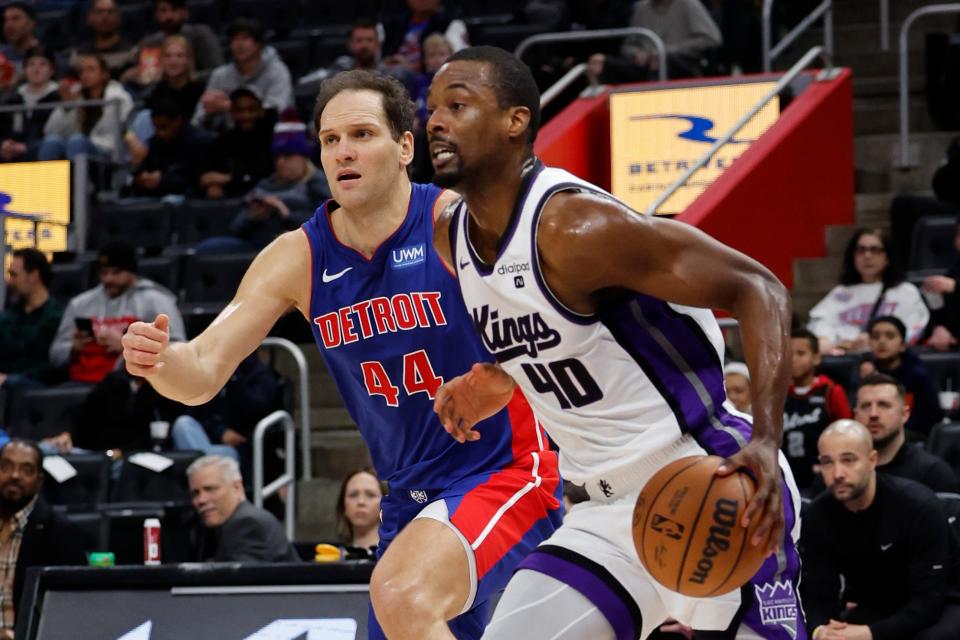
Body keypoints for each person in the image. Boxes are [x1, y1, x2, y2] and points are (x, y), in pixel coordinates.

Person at [121, 69, 562, 639]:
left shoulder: (458, 222)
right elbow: (202, 372)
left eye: (361, 134)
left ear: (406, 147)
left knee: (401, 593)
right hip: (409, 499)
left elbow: (556, 326)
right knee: (403, 604)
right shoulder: (297, 256)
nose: (343, 153)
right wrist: (160, 362)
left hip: (500, 473)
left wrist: (501, 378)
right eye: (330, 140)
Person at [427, 46, 800, 639]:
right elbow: (557, 327)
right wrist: (499, 376)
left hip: (707, 478)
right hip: (600, 512)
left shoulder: (576, 227)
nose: (435, 121)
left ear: (515, 121)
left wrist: (765, 439)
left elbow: (759, 288)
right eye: (431, 109)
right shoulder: (454, 238)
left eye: (457, 105)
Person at [802, 419, 960, 639]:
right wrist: (821, 631)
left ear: (872, 460)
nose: (837, 473)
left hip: (944, 603)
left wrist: (870, 633)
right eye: (827, 462)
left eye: (849, 460)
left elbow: (928, 602)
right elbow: (817, 594)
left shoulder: (918, 506)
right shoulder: (817, 516)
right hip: (878, 604)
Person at [195, 110, 330, 253]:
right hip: (257, 247)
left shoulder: (316, 183)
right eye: (277, 157)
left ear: (303, 158)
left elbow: (327, 224)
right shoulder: (265, 185)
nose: (281, 162)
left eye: (288, 156)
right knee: (207, 249)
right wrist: (252, 217)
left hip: (298, 249)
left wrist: (286, 214)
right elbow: (235, 228)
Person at [50, 242, 185, 384]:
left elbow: (178, 349)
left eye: (116, 272)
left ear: (132, 272)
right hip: (81, 382)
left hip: (132, 383)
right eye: (104, 273)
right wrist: (72, 348)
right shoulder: (80, 304)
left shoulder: (157, 301)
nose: (108, 279)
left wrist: (128, 347)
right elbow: (55, 356)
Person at [0, 439, 85, 638]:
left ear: (39, 481)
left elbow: (72, 608)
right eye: (6, 467)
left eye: (26, 470)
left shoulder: (60, 532)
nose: (14, 475)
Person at [807, 228, 929, 355]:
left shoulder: (905, 292)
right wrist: (834, 343)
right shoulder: (840, 293)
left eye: (875, 250)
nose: (867, 256)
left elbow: (915, 328)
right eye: (861, 250)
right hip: (846, 358)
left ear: (887, 257)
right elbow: (819, 325)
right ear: (853, 256)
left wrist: (877, 341)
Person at [853, 372, 957, 492]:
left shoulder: (932, 473)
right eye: (866, 406)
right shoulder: (843, 473)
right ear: (856, 415)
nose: (873, 414)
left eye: (883, 405)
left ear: (904, 414)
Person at [188, 455, 299, 562]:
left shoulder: (248, 524)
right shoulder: (211, 528)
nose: (201, 500)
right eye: (195, 493)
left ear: (237, 487)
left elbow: (241, 579)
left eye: (210, 489)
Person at [191, 18, 293, 134]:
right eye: (234, 39)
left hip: (269, 136)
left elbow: (278, 110)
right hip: (230, 138)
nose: (239, 44)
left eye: (245, 38)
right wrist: (209, 111)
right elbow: (198, 118)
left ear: (259, 44)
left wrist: (229, 107)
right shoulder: (220, 75)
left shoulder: (277, 71)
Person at [783, 327, 851, 494]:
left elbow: (846, 433)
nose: (793, 359)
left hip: (822, 479)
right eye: (789, 354)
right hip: (788, 476)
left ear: (816, 358)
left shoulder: (831, 391)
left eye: (800, 353)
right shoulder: (779, 395)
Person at [587, 0, 722, 84]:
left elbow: (711, 39)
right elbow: (628, 45)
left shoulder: (688, 3)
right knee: (599, 62)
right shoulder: (641, 8)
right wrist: (638, 53)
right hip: (642, 64)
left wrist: (664, 52)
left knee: (659, 61)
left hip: (681, 64)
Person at [124, 35, 206, 166]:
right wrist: (131, 139)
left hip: (190, 144)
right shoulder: (154, 91)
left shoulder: (201, 89)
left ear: (189, 60)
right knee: (143, 117)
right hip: (159, 145)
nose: (173, 61)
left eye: (180, 56)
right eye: (168, 56)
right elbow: (130, 120)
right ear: (161, 61)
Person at [38, 54, 134, 163]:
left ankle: (78, 180)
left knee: (77, 141)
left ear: (104, 74)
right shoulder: (76, 95)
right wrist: (67, 107)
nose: (85, 75)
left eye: (91, 70)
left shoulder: (117, 97)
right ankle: (45, 180)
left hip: (108, 149)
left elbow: (126, 127)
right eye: (81, 71)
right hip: (76, 145)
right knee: (52, 142)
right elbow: (50, 131)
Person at [859, 316, 943, 436]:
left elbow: (932, 418)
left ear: (903, 345)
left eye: (890, 336)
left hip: (910, 435)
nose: (882, 341)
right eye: (876, 337)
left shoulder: (918, 374)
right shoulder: (864, 370)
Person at [0, 248, 64, 390]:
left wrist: (8, 378)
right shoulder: (8, 317)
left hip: (38, 386)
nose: (9, 282)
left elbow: (54, 367)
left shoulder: (57, 317)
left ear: (34, 275)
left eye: (14, 275)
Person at [198, 85, 276, 199]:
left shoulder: (273, 138)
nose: (245, 115)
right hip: (231, 200)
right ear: (232, 113)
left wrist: (230, 179)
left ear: (261, 111)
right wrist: (212, 185)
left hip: (267, 197)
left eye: (251, 109)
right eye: (239, 110)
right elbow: (208, 172)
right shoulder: (224, 140)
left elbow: (268, 175)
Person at [130, 97, 214, 197]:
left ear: (178, 121)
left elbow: (198, 180)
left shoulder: (201, 142)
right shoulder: (155, 142)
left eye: (164, 127)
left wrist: (164, 180)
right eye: (156, 128)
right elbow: (144, 170)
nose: (161, 133)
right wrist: (142, 177)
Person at [125, 0, 222, 86]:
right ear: (156, 14)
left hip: (196, 90)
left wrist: (184, 77)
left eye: (174, 10)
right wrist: (131, 75)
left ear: (185, 12)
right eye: (163, 11)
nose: (169, 16)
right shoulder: (149, 43)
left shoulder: (199, 34)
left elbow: (217, 71)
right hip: (157, 94)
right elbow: (136, 72)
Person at [0, 46, 59, 163]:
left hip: (45, 154)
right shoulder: (11, 99)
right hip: (10, 156)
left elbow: (60, 134)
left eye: (43, 64)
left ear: (52, 70)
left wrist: (27, 147)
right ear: (24, 69)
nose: (36, 69)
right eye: (31, 64)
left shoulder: (59, 98)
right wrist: (3, 143)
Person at [382, 0, 469, 74]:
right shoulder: (394, 24)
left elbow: (458, 61)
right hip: (389, 71)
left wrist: (415, 67)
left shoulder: (453, 24)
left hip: (427, 77)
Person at [68, 0, 137, 78]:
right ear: (89, 18)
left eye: (110, 12)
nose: (105, 17)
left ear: (119, 17)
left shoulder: (131, 53)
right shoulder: (79, 55)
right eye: (99, 12)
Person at [923, 220, 960, 351]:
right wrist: (938, 328)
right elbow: (939, 311)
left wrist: (956, 286)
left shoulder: (953, 282)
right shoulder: (954, 271)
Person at [335, 468, 383, 554]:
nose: (361, 502)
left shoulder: (399, 555)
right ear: (343, 506)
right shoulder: (331, 559)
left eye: (370, 495)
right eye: (353, 495)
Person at [0, 2, 39, 93]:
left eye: (15, 19)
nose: (9, 25)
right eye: (6, 20)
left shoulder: (47, 55)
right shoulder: (1, 54)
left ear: (31, 23)